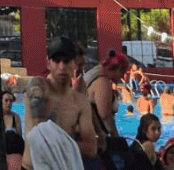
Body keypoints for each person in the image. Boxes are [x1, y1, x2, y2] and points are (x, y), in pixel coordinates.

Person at [23, 35, 98, 163]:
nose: (62, 67)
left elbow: (91, 150)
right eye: (57, 61)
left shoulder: (80, 101)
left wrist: (58, 140)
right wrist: (69, 139)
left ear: (74, 63)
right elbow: (40, 140)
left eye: (66, 61)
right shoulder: (37, 87)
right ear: (48, 63)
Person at [22, 77, 84, 170]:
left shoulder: (56, 126)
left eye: (40, 99)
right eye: (34, 98)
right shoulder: (34, 125)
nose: (36, 103)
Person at [87, 52, 130, 136]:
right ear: (118, 69)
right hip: (98, 136)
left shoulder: (96, 75)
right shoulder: (103, 83)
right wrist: (117, 137)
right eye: (123, 72)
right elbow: (105, 116)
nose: (122, 77)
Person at [3, 89, 24, 155]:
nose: (8, 103)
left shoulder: (15, 117)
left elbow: (19, 136)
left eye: (11, 101)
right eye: (6, 100)